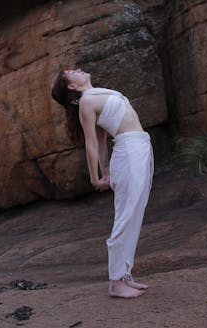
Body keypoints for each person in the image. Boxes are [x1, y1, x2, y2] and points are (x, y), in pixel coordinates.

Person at [51, 67, 154, 298]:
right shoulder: (86, 103)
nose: (78, 69)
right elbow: (91, 144)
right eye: (72, 72)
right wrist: (94, 177)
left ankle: (125, 274)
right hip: (129, 151)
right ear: (71, 86)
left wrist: (106, 169)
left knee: (135, 212)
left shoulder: (96, 93)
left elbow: (102, 139)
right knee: (127, 214)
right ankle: (116, 283)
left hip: (138, 147)